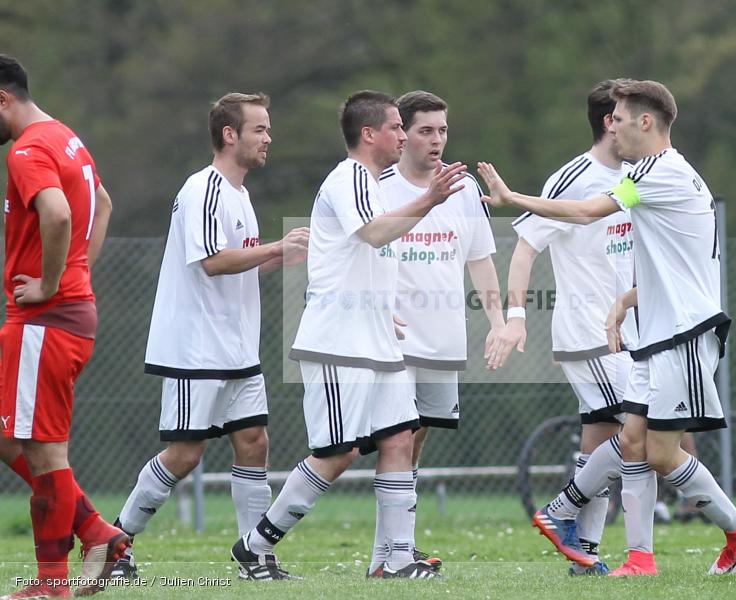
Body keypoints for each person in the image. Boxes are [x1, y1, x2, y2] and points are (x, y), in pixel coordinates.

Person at [478, 79, 736, 577]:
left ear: (645, 122)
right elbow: (673, 261)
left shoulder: (661, 174)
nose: (613, 124)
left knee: (655, 450)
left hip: (681, 334)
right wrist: (626, 301)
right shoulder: (649, 173)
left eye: (620, 117)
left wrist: (512, 197)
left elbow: (590, 210)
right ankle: (632, 547)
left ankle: (733, 532)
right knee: (634, 442)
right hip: (652, 334)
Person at [230, 90, 467, 580]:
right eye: (397, 127)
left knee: (400, 438)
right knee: (338, 453)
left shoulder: (375, 183)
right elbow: (374, 234)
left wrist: (386, 311)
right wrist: (430, 198)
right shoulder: (350, 177)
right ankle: (256, 545)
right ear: (369, 134)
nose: (404, 135)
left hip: (375, 341)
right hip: (339, 344)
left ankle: (396, 560)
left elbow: (366, 256)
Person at [109, 92, 309, 579]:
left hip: (237, 346)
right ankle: (113, 543)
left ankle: (254, 556)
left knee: (254, 440)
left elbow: (238, 267)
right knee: (185, 454)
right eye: (259, 129)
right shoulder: (205, 189)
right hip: (195, 348)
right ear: (229, 134)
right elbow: (213, 262)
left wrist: (276, 258)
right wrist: (274, 247)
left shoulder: (240, 195)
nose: (268, 138)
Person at [489, 79, 637, 576]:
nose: (641, 121)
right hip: (589, 332)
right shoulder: (573, 177)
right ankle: (562, 512)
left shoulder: (641, 172)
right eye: (629, 113)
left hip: (629, 332)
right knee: (642, 427)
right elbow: (527, 246)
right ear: (608, 122)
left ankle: (585, 555)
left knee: (599, 443)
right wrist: (514, 317)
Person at [0, 53, 126, 599]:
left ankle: (53, 585)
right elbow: (103, 202)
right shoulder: (64, 136)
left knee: (45, 453)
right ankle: (97, 531)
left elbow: (58, 214)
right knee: (9, 436)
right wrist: (77, 272)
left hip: (43, 321)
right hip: (62, 316)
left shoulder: (28, 150)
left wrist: (53, 283)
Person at [374, 90, 503, 576]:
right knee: (397, 438)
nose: (437, 140)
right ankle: (392, 556)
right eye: (426, 130)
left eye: (443, 130)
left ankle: (390, 552)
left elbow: (480, 260)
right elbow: (355, 251)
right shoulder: (377, 185)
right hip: (391, 338)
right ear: (402, 133)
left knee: (417, 438)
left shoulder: (463, 188)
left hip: (442, 339)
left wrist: (499, 322)